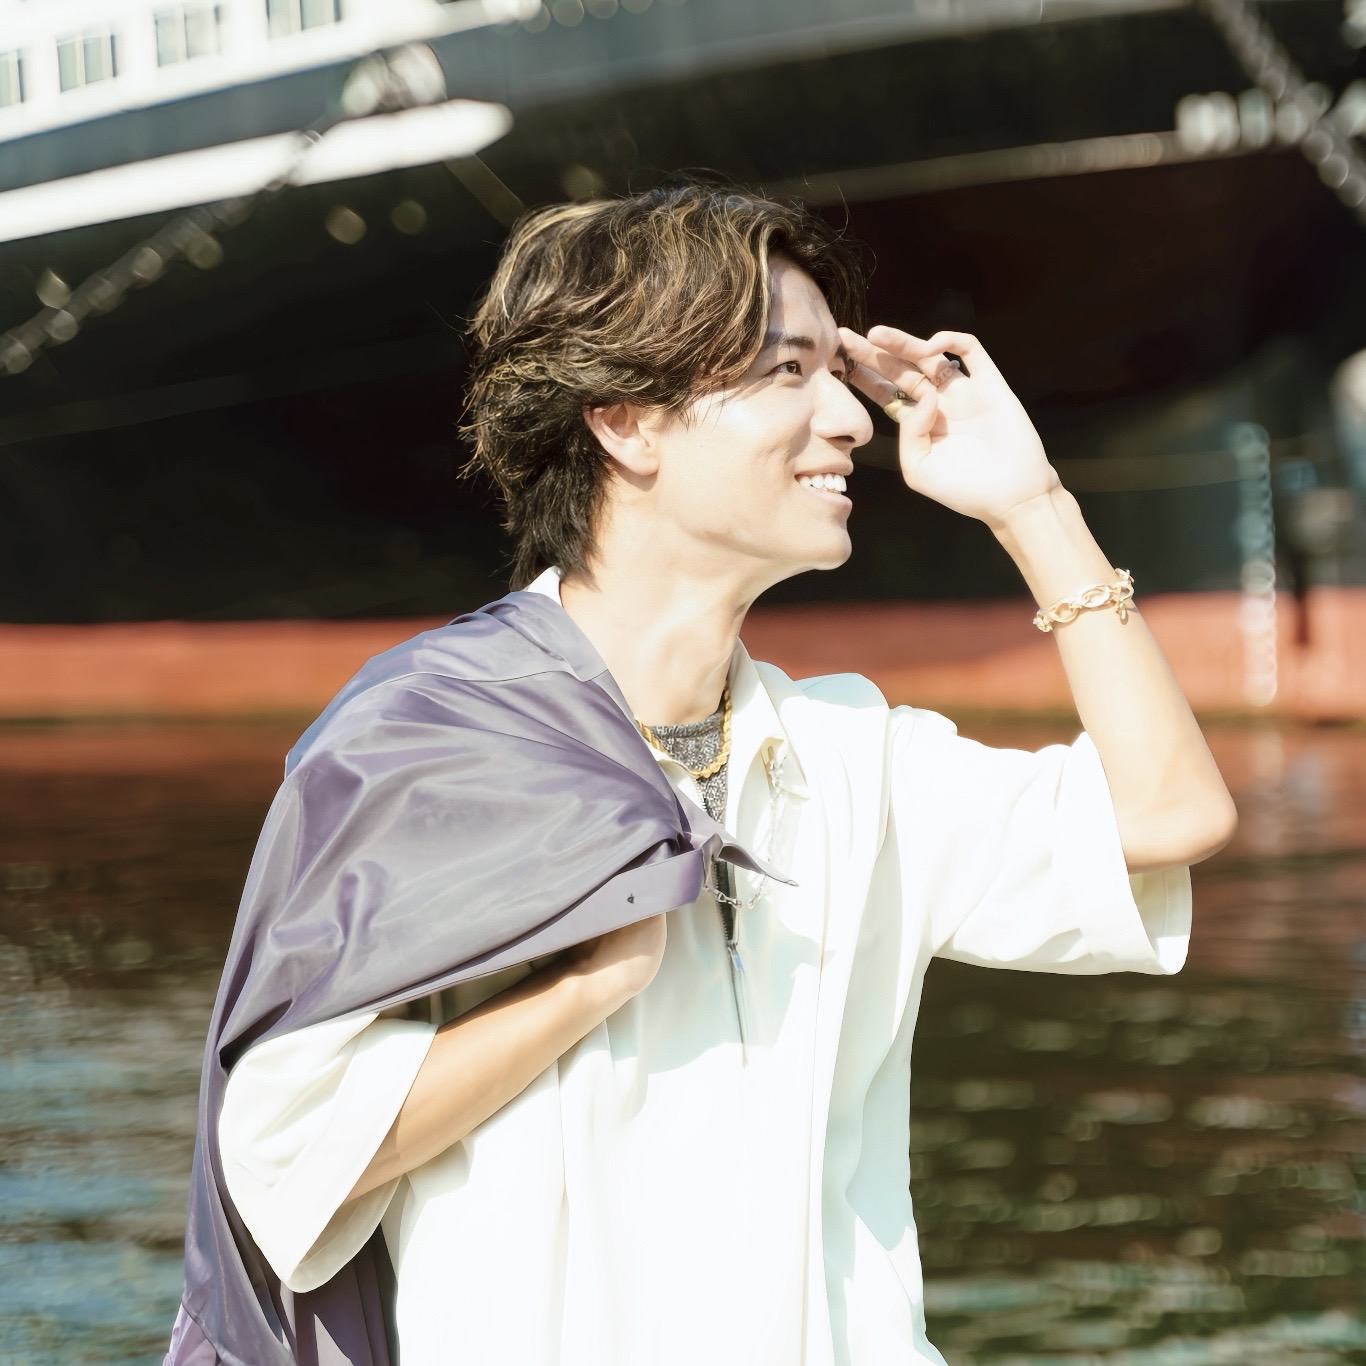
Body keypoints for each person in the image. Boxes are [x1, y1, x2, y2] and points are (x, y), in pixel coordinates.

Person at [199, 184, 1236, 1365]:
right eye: (787, 371)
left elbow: (1169, 814)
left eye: (834, 371)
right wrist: (584, 985)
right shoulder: (429, 742)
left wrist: (1031, 505)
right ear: (625, 422)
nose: (848, 417)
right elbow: (280, 1157)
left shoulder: (844, 754)